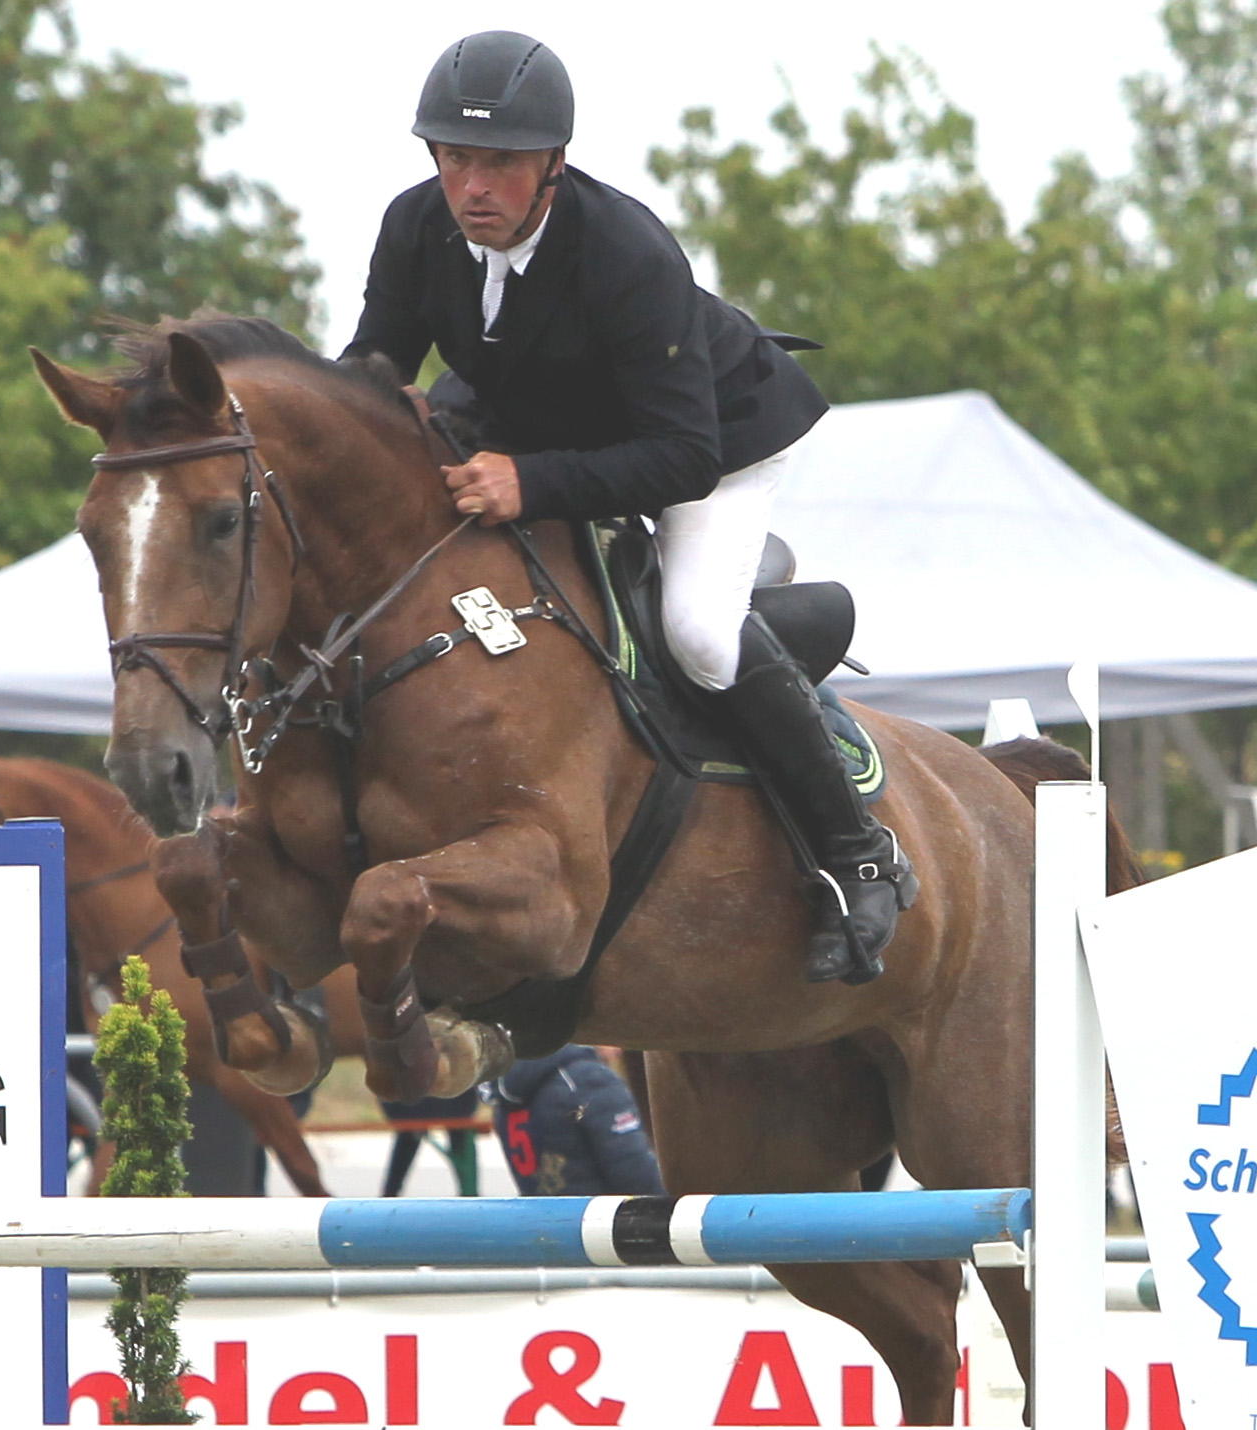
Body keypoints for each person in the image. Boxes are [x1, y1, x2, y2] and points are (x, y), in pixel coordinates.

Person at [342, 31, 915, 984]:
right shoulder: (415, 226)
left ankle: (857, 853)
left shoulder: (625, 250)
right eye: (454, 159)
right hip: (545, 420)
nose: (472, 185)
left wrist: (533, 483)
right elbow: (373, 375)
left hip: (713, 443)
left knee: (693, 630)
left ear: (553, 164)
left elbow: (681, 454)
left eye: (501, 164)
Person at [481, 1046, 664, 1197]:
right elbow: (632, 1169)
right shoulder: (589, 1079)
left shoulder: (507, 1090)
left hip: (541, 1224)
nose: (622, 1046)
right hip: (599, 1225)